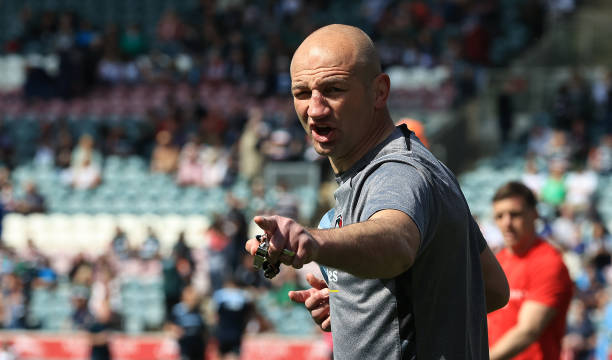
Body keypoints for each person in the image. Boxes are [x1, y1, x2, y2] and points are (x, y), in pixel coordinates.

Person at [245, 24, 509, 359]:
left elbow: (396, 241)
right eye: (302, 93)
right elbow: (491, 288)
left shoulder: (397, 172)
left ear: (379, 92)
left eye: (334, 89)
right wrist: (362, 303)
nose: (314, 109)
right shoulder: (415, 167)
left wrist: (314, 242)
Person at [487, 181, 573, 360]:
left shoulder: (548, 262)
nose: (507, 223)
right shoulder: (498, 260)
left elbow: (528, 330)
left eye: (515, 214)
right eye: (499, 216)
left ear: (534, 214)